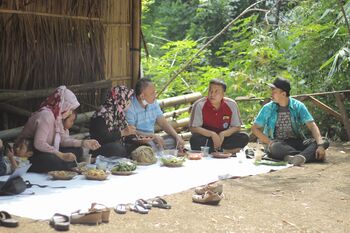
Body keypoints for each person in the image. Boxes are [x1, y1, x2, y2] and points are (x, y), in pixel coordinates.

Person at [15, 86, 101, 173]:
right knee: (52, 160)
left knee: (77, 150)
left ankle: (65, 165)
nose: (70, 112)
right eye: (70, 109)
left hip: (46, 151)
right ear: (63, 104)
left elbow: (63, 140)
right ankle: (66, 166)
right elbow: (39, 143)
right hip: (30, 153)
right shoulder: (46, 115)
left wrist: (83, 143)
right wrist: (61, 155)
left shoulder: (57, 117)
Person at [251, 77, 329, 166]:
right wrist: (270, 142)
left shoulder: (298, 106)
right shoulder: (268, 108)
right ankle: (306, 155)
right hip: (278, 143)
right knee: (275, 148)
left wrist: (320, 146)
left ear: (283, 94)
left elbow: (312, 126)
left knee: (324, 140)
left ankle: (292, 157)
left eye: (274, 92)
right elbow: (254, 128)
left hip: (296, 141)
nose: (271, 94)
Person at [189, 78, 249, 153]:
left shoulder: (231, 104)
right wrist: (212, 134)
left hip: (224, 138)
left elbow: (237, 127)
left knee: (244, 137)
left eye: (216, 92)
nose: (212, 94)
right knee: (194, 140)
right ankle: (225, 151)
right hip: (207, 138)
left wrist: (223, 134)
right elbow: (194, 128)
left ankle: (218, 150)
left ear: (223, 94)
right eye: (210, 91)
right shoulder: (199, 104)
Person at [126, 78, 185, 152]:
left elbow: (163, 123)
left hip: (153, 139)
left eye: (155, 92)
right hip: (139, 142)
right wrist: (152, 136)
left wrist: (177, 137)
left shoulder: (153, 102)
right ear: (142, 96)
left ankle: (158, 150)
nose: (155, 95)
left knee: (174, 140)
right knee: (148, 147)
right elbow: (131, 132)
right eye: (152, 93)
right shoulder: (130, 107)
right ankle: (157, 151)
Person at [89, 86, 136, 157]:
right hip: (100, 148)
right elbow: (103, 138)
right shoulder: (100, 115)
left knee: (140, 145)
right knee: (117, 148)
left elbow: (125, 135)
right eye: (128, 99)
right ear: (121, 100)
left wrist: (134, 136)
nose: (130, 102)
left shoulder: (119, 113)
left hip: (118, 145)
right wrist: (122, 133)